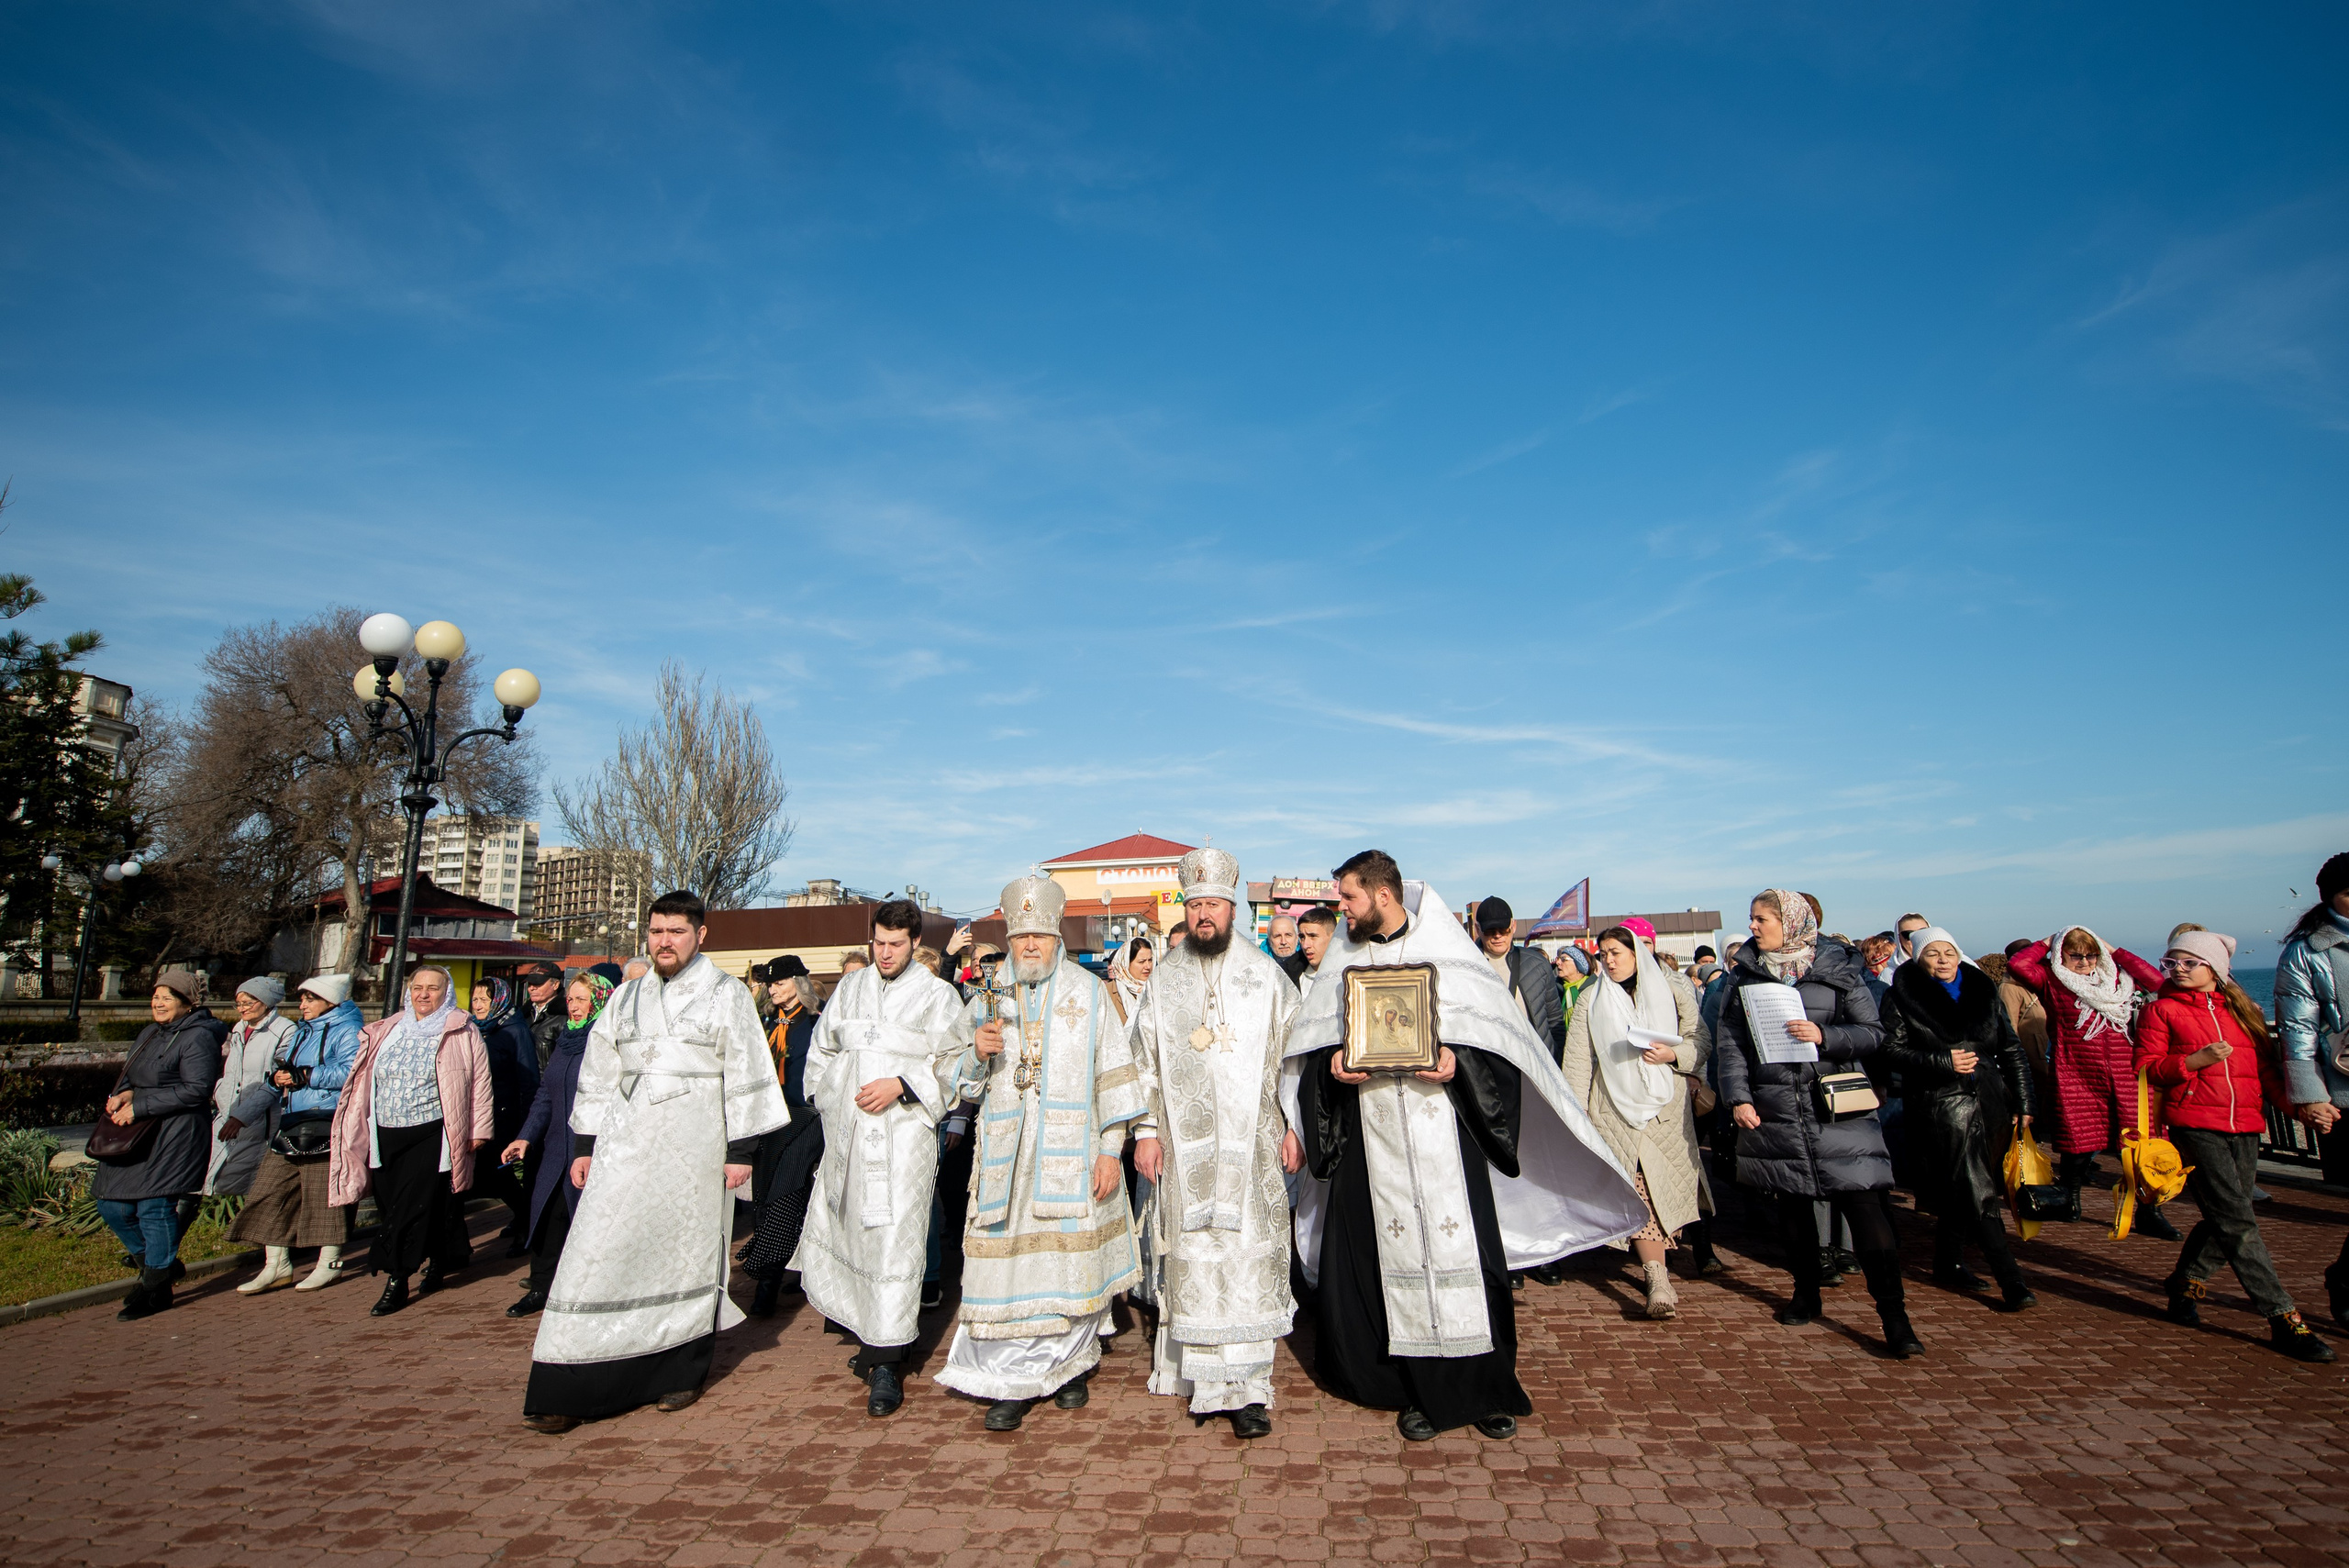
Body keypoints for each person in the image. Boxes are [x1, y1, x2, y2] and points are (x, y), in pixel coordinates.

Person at [1288, 851, 1645, 1442]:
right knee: (1382, 1263)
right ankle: (1407, 1387)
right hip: (1371, 1145)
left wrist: (1459, 1064)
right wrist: (1333, 1069)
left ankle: (1483, 1387)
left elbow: (1502, 1051)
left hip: (1446, 1143)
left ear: (1381, 894)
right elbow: (1313, 1056)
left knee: (1468, 1260)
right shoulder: (1343, 963)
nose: (1341, 909)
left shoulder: (1451, 957)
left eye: (1348, 897)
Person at [522, 891, 790, 1430]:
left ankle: (675, 1373)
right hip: (622, 1146)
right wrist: (585, 1145)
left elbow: (746, 1070)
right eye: (657, 931)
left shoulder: (727, 994)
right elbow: (598, 1071)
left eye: (676, 932)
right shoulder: (626, 996)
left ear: (700, 935)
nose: (665, 942)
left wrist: (741, 1152)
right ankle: (570, 1381)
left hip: (693, 1150)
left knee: (682, 1257)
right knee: (595, 1253)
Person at [932, 875, 1145, 1430]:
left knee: (1070, 1269)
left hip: (1074, 1155)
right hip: (1006, 1157)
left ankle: (1070, 1364)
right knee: (1009, 1274)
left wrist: (1110, 1150)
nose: (1030, 945)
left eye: (1040, 936)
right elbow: (952, 1075)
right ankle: (1011, 1379)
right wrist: (975, 1054)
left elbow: (1114, 1075)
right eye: (1021, 936)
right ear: (1009, 938)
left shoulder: (1089, 992)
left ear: (1056, 938)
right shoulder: (986, 993)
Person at [1124, 850, 1299, 1439]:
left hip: (1254, 1149)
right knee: (1196, 1255)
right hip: (1184, 1150)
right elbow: (1143, 1061)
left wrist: (1294, 1125)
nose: (1204, 915)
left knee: (1248, 1257)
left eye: (1214, 905)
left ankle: (1248, 1390)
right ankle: (1203, 1381)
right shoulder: (1164, 979)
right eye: (1195, 904)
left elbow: (1293, 1058)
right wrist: (1146, 1133)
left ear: (1232, 910)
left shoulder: (1265, 976)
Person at [1713, 889, 1920, 1357]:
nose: (1753, 927)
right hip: (1775, 1105)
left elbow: (1873, 1033)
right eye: (1751, 919)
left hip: (1836, 1106)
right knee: (1793, 1207)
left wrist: (1825, 1035)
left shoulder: (1838, 967)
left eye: (1761, 919)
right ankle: (1806, 1292)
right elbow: (1731, 1044)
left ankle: (1895, 1316)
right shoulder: (1743, 975)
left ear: (1791, 922)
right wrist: (1738, 1098)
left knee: (1864, 1206)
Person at [796, 898, 963, 1418]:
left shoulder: (938, 996)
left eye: (896, 944)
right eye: (879, 943)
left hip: (903, 1139)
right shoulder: (850, 988)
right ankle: (871, 1338)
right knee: (857, 1235)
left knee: (895, 1242)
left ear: (916, 943)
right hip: (849, 1137)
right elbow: (822, 1052)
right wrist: (827, 1097)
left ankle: (890, 1360)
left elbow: (956, 1064)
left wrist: (902, 1084)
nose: (885, 953)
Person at [2139, 930, 2334, 1362]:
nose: (2177, 970)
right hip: (2194, 1123)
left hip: (2246, 1125)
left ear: (2215, 967)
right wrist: (2195, 1062)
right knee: (2237, 1220)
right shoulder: (2160, 1010)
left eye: (2189, 962)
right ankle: (2282, 1317)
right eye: (2171, 963)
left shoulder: (2243, 1011)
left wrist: (2302, 1110)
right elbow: (2147, 1069)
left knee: (2228, 1215)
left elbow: (2267, 1075)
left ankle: (2185, 1282)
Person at [1876, 929, 2037, 1311]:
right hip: (1942, 1105)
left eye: (1948, 952)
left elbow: (2011, 1048)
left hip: (1992, 1102)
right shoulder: (1900, 996)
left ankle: (1948, 1261)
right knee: (1977, 1190)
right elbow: (1889, 1049)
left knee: (1966, 1186)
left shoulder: (1982, 990)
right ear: (1919, 959)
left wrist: (2024, 1100)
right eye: (1933, 954)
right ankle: (2012, 1281)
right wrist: (1940, 1061)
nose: (1943, 960)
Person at [1558, 923, 1708, 1318]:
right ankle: (1656, 1278)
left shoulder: (1672, 989)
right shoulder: (1591, 998)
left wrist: (1673, 1056)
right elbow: (1579, 1058)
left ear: (1636, 953)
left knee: (1665, 1191)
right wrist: (1578, 1111)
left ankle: (1663, 1265)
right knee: (1638, 1189)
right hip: (1614, 1110)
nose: (1609, 961)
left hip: (1666, 1111)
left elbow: (1700, 1039)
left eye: (1616, 953)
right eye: (1603, 954)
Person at [328, 966, 493, 1318]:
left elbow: (480, 1081)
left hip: (433, 1132)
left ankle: (397, 1278)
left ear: (446, 993)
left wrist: (479, 1129)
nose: (423, 994)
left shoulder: (461, 1029)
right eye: (417, 987)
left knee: (409, 1207)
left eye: (432, 988)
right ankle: (440, 1257)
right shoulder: (388, 1028)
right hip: (385, 1132)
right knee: (392, 1203)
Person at [2006, 926, 2176, 1237]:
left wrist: (2114, 951)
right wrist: (2047, 941)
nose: (2084, 962)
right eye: (2075, 956)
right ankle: (2069, 1200)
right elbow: (2018, 965)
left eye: (2091, 955)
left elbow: (2157, 982)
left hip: (2127, 1072)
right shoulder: (2052, 980)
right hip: (2077, 1072)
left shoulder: (2118, 981)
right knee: (2078, 1142)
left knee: (2142, 1143)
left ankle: (2150, 1210)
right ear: (2061, 955)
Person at [93, 972, 225, 1321]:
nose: (158, 1002)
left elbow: (197, 1089)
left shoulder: (199, 1036)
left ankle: (156, 1289)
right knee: (111, 1205)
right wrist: (123, 1094)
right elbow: (131, 1075)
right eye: (156, 996)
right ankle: (159, 1266)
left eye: (168, 997)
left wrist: (139, 1106)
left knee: (154, 1206)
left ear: (188, 1003)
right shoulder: (150, 1033)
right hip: (139, 1132)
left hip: (175, 1133)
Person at [225, 973, 363, 1294]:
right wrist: (246, 1112)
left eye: (309, 999)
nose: (301, 1005)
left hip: (327, 1122)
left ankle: (329, 1264)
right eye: (302, 998)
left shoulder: (349, 1029)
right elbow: (285, 1074)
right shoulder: (303, 1030)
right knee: (269, 1191)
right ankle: (276, 1266)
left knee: (324, 1196)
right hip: (291, 1123)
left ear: (330, 1001)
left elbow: (352, 1071)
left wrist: (305, 1075)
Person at [500, 971, 613, 1319]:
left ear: (600, 1001)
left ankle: (589, 1293)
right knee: (547, 1217)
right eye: (571, 999)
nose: (574, 1006)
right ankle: (540, 1288)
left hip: (593, 1150)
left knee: (583, 1221)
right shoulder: (567, 1037)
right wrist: (525, 1136)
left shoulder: (609, 1040)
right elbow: (546, 1095)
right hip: (555, 1149)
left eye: (582, 999)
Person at [2275, 852, 2349, 1325]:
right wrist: (2309, 1094)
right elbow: (2297, 1028)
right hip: (2344, 1089)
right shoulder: (2309, 950)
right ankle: (2345, 1280)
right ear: (2330, 896)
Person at [740, 969, 829, 1316]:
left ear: (798, 984)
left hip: (807, 1116)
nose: (773, 989)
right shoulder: (765, 1022)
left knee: (786, 1193)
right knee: (763, 1197)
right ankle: (776, 1269)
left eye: (780, 982)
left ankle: (767, 1283)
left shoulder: (817, 1020)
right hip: (769, 1118)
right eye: (770, 984)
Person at [469, 977, 542, 1256]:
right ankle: (523, 1219)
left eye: (484, 1000)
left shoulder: (515, 1030)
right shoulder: (474, 1029)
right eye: (475, 999)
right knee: (485, 1175)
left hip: (505, 1113)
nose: (478, 1006)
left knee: (497, 1173)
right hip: (479, 1113)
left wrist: (527, 1125)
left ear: (498, 1000)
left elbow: (528, 1078)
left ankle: (526, 1225)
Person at [207, 977, 294, 1199]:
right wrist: (221, 1095)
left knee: (245, 1184)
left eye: (247, 1003)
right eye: (238, 1003)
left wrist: (242, 1116)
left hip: (258, 1120)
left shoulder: (285, 1030)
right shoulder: (239, 1028)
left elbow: (275, 1081)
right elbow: (232, 1073)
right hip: (227, 1114)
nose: (241, 1009)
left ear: (266, 1002)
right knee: (212, 1178)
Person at [1472, 897, 1564, 1058]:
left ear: (1513, 926)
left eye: (1503, 930)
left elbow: (1555, 1020)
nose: (1497, 936)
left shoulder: (1538, 964)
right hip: (1487, 1064)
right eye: (1490, 931)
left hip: (1536, 1063)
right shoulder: (1466, 967)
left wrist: (1555, 1058)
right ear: (1478, 929)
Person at [520, 962, 570, 1071]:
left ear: (555, 985)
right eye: (530, 984)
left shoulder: (566, 1017)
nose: (532, 988)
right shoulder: (522, 1015)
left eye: (538, 983)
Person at [1102, 935, 1153, 1025]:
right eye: (1141, 962)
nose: (1148, 966)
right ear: (1126, 963)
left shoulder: (1156, 989)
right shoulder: (1106, 993)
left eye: (1150, 960)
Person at [1296, 906, 1337, 1006]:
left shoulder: (1347, 977)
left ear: (1333, 937)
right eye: (1302, 937)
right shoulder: (1291, 977)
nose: (1305, 945)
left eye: (1313, 936)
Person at [1265, 915, 1308, 982]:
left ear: (1297, 938)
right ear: (1269, 940)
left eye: (1288, 935)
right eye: (1277, 936)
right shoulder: (1262, 968)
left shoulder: (1310, 965)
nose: (1283, 942)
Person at [1860, 933, 1898, 1005]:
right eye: (1892, 956)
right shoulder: (1873, 986)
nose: (1895, 959)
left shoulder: (1863, 978)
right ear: (1879, 957)